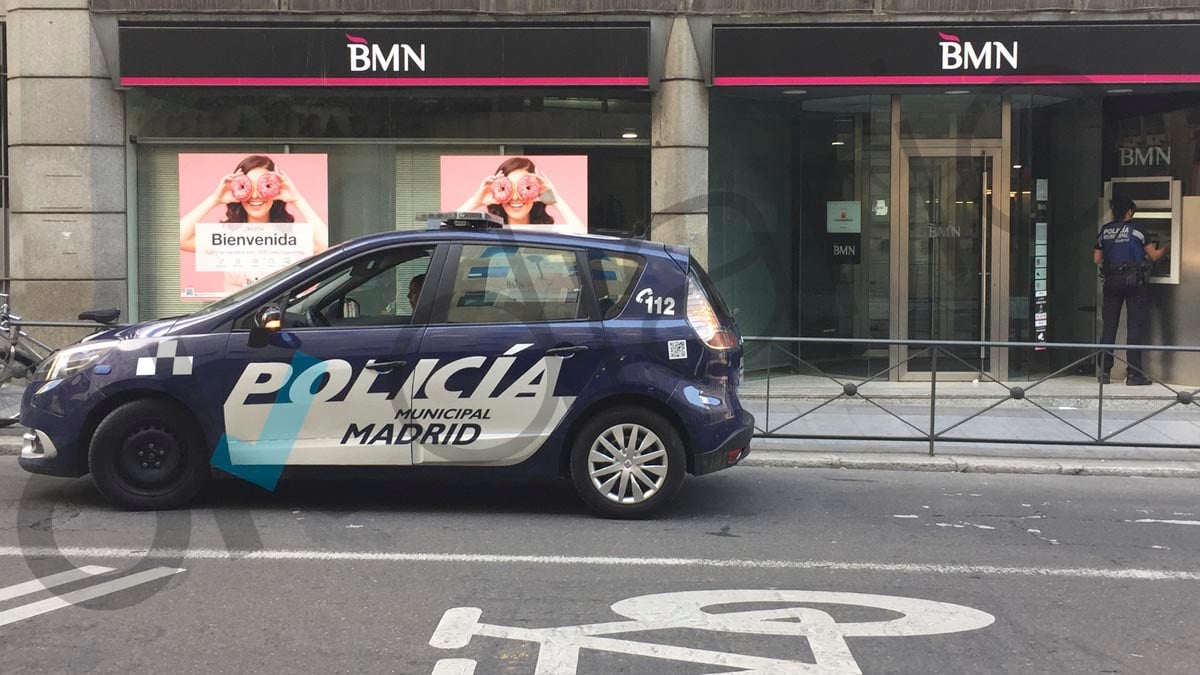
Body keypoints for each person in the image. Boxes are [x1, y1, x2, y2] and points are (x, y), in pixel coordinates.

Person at [180, 155, 329, 293]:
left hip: (281, 317)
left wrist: (297, 199)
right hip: (237, 318)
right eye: (248, 186)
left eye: (262, 186)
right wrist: (214, 199)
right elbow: (180, 238)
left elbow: (327, 244)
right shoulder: (227, 236)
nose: (256, 195)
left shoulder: (289, 236)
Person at [1094, 198, 1169, 385]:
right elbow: (1153, 256)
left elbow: (1096, 258)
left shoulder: (1105, 230)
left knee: (1109, 327)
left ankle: (1104, 372)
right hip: (1134, 282)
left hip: (1111, 282)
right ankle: (1134, 374)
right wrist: (1167, 247)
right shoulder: (1138, 229)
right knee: (1134, 327)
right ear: (1129, 212)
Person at [456, 157, 584, 230]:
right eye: (509, 188)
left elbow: (581, 237)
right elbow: (443, 231)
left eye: (525, 188)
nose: (516, 197)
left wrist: (556, 199)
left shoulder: (546, 233)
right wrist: (476, 201)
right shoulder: (488, 232)